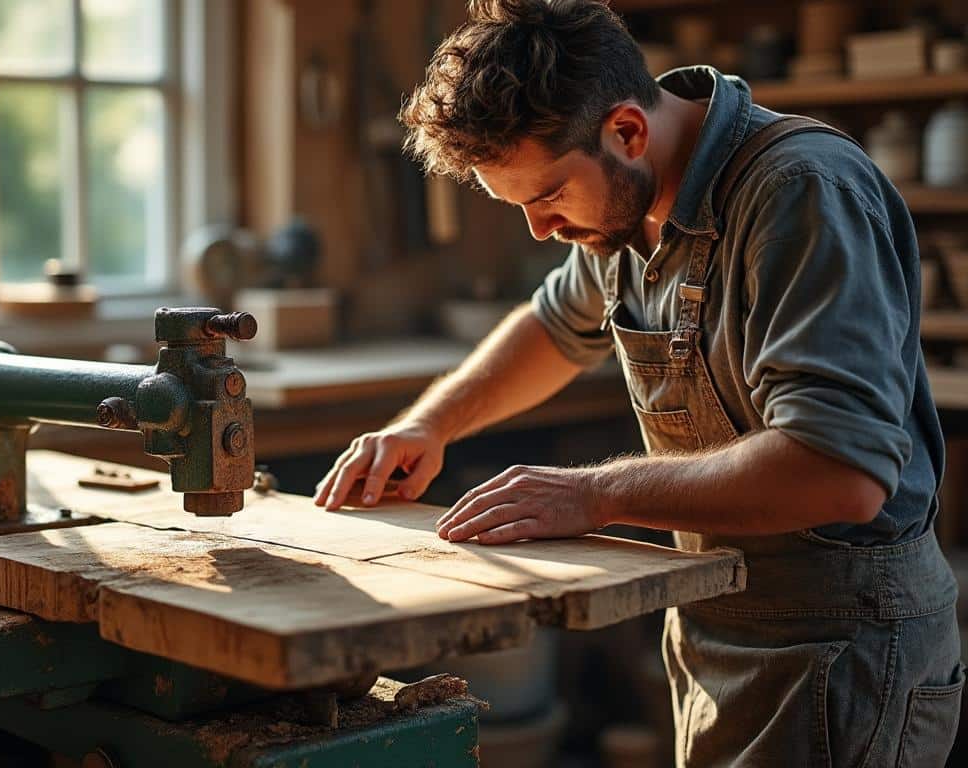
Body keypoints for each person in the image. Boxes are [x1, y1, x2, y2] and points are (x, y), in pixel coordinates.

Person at [314, 1, 963, 765]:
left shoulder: (801, 192)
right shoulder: (629, 205)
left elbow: (838, 471)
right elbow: (555, 327)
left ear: (626, 130)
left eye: (549, 195)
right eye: (520, 205)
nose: (541, 230)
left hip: (842, 643)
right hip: (722, 615)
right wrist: (429, 426)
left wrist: (593, 496)